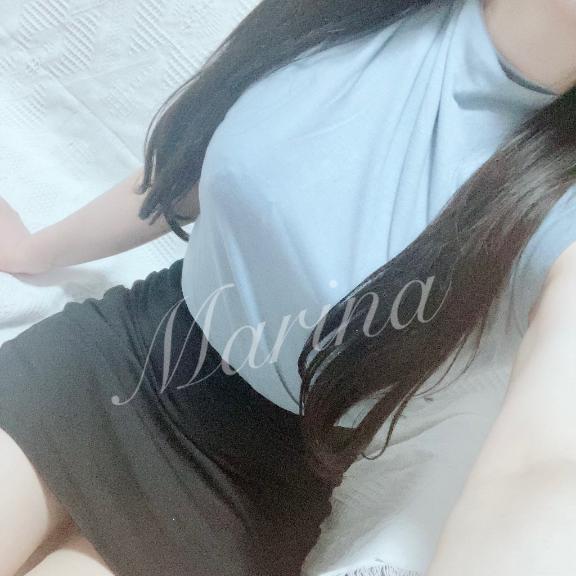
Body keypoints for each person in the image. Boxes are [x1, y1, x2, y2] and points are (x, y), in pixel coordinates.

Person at [1, 0, 576, 574]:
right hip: (118, 358)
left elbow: (541, 467)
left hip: (246, 492)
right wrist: (35, 251)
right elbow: (193, 168)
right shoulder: (355, 15)